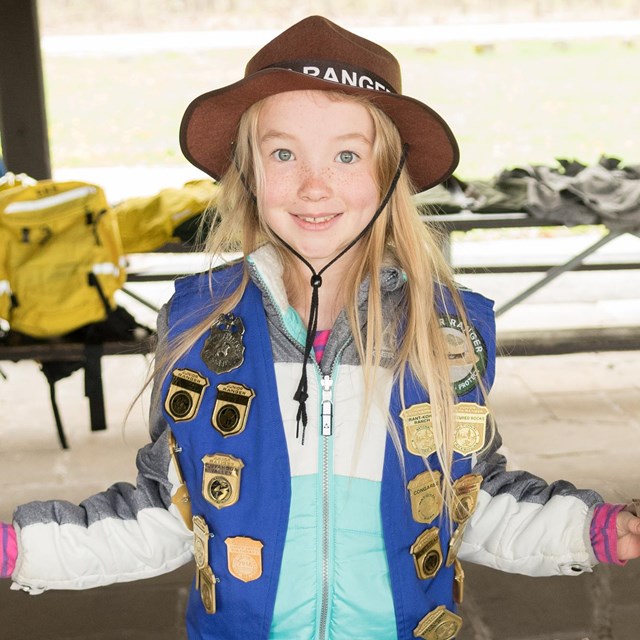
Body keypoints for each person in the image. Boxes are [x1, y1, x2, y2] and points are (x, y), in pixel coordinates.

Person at [1, 15, 639, 640]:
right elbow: (166, 509)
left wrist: (596, 529)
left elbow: (472, 501)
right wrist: (16, 548)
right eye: (283, 153)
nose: (312, 185)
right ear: (247, 173)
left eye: (345, 155)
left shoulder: (442, 330)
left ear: (392, 174)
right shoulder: (200, 327)